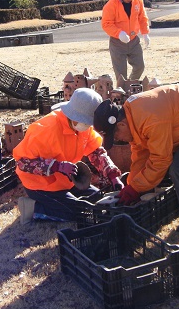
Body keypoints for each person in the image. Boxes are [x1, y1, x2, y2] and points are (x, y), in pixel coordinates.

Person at [93, 83, 179, 232]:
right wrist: (132, 185)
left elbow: (161, 159)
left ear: (121, 125)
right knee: (168, 165)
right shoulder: (132, 114)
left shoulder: (150, 118)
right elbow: (141, 154)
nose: (119, 140)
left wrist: (136, 188)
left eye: (116, 136)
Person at [13, 88, 124, 222]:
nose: (88, 126)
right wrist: (56, 166)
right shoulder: (45, 129)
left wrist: (112, 175)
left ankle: (59, 203)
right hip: (40, 184)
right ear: (73, 115)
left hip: (66, 180)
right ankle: (33, 207)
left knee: (96, 199)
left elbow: (96, 152)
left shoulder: (84, 128)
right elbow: (22, 163)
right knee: (76, 213)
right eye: (86, 122)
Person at [101, 0, 150, 86]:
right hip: (117, 42)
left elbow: (142, 18)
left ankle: (130, 84)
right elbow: (106, 24)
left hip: (133, 40)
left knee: (140, 66)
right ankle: (121, 93)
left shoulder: (138, 1)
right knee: (121, 75)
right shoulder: (111, 4)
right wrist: (119, 33)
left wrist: (145, 33)